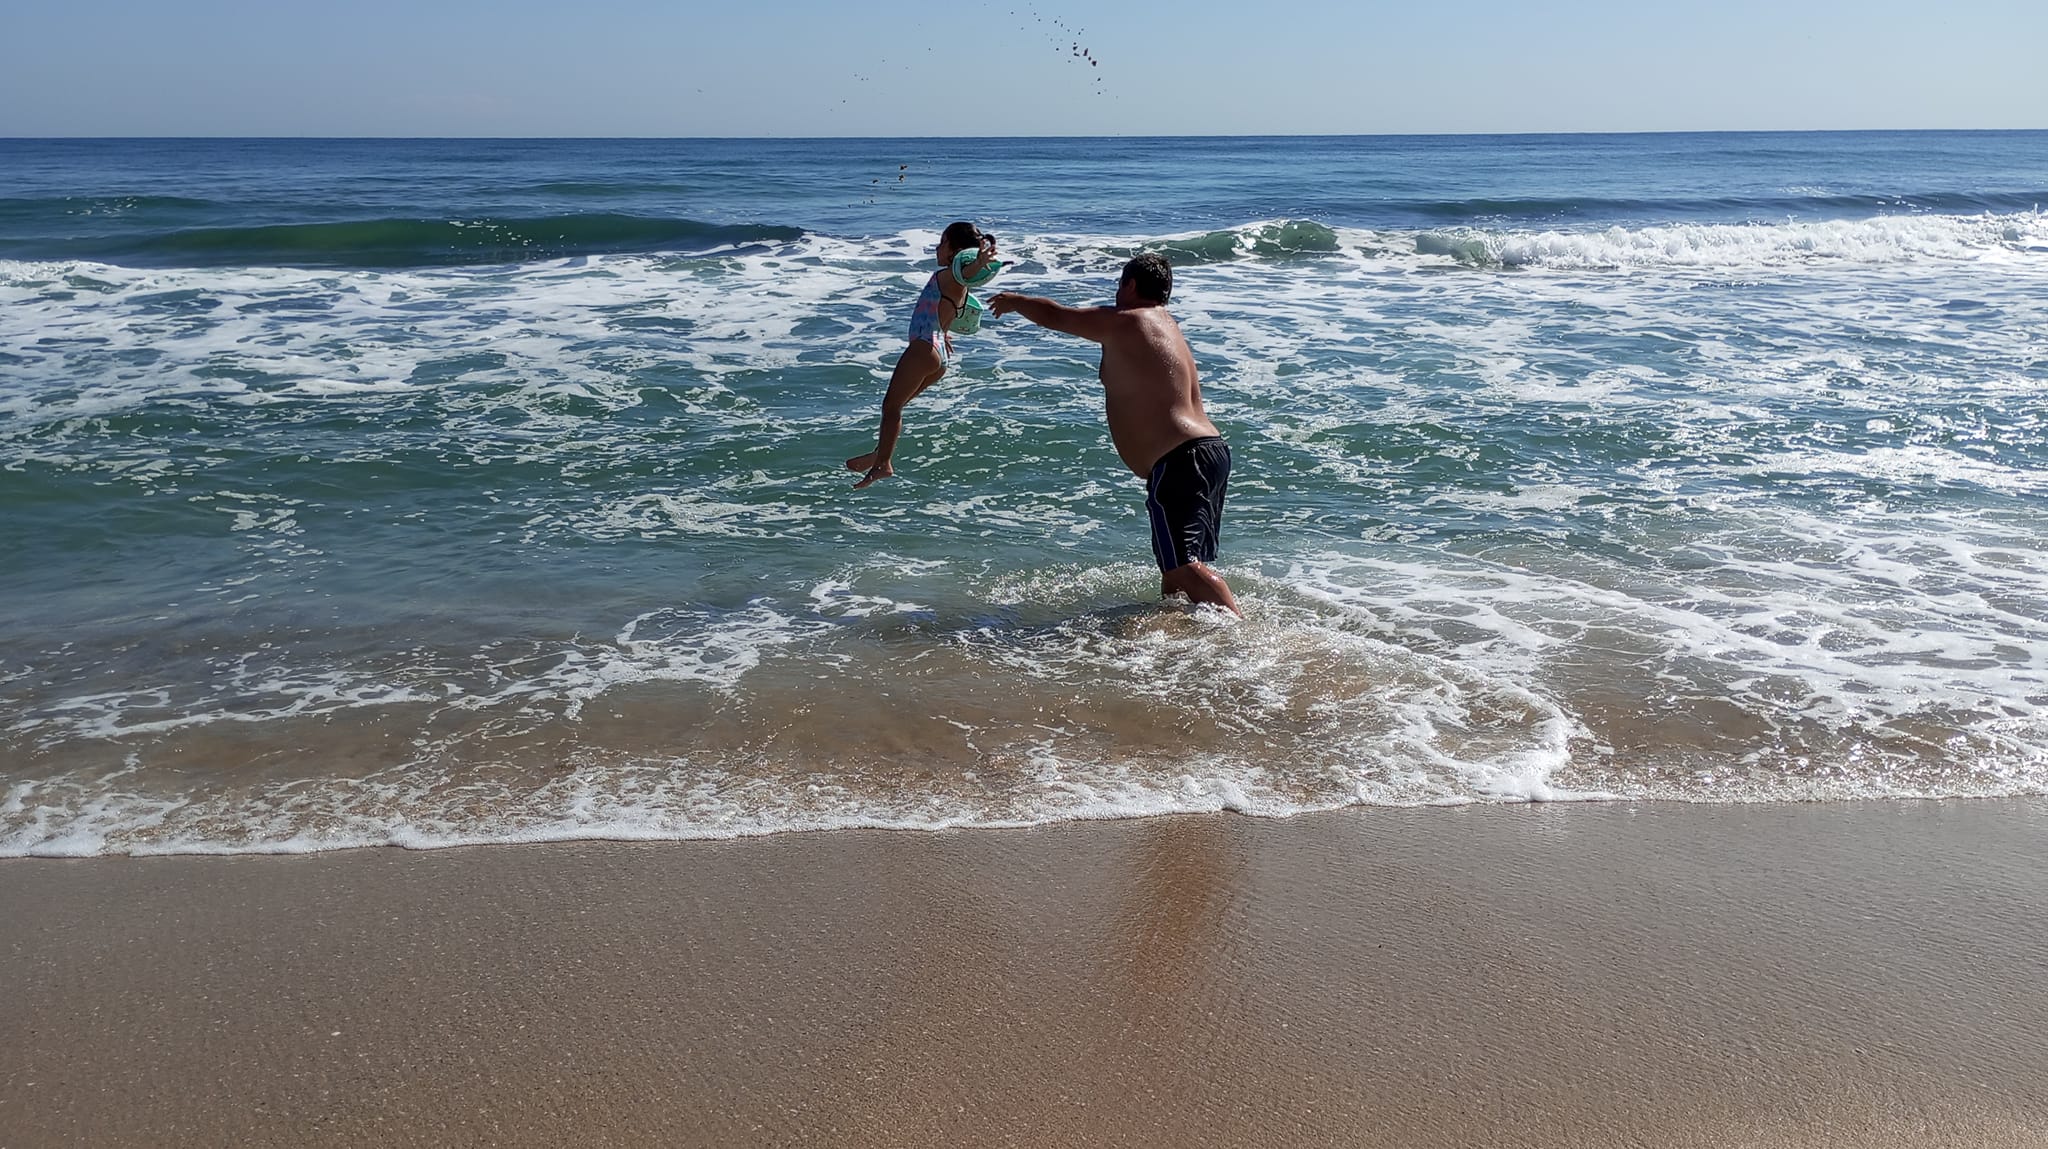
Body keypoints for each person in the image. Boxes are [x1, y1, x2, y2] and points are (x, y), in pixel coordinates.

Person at [988, 254, 1241, 616]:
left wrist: (1016, 301)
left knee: (1184, 566)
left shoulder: (1127, 320)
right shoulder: (1166, 324)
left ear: (1130, 285)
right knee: (1175, 567)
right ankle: (1180, 632)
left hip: (1181, 459)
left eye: (1119, 284)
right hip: (1204, 454)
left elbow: (1058, 316)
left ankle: (1238, 632)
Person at [846, 221, 998, 489]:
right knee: (897, 407)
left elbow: (966, 272)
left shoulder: (953, 276)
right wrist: (945, 334)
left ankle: (883, 463)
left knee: (891, 407)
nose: (937, 248)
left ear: (956, 252)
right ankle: (879, 454)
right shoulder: (955, 285)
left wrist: (978, 262)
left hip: (924, 348)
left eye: (942, 243)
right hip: (937, 351)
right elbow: (945, 313)